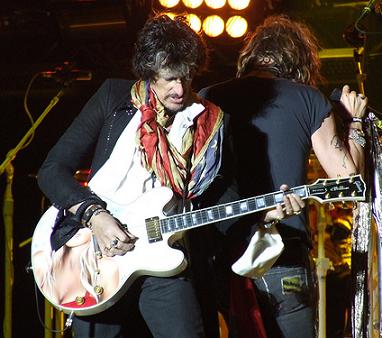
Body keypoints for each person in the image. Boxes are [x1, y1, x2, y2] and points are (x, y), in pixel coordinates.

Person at [36, 12, 304, 337]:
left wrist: (265, 214)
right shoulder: (113, 98)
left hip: (167, 260)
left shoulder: (212, 123)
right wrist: (96, 216)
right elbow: (52, 170)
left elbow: (223, 206)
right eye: (170, 78)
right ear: (149, 72)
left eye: (187, 77)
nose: (180, 89)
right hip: (98, 256)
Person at [199, 14, 367, 338]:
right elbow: (348, 181)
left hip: (217, 249)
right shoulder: (308, 99)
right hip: (282, 249)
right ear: (299, 61)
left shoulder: (208, 97)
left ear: (251, 56)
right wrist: (355, 121)